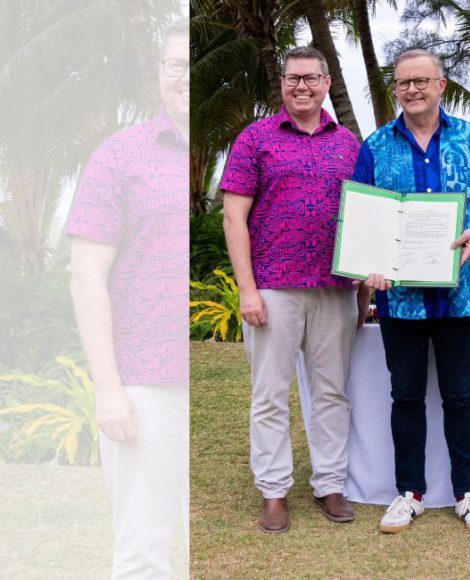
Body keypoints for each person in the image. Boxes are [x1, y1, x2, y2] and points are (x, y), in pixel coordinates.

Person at [353, 49, 470, 535]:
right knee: (406, 397)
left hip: (458, 296)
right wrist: (369, 268)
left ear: (442, 85)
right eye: (404, 83)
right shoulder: (376, 146)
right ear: (395, 90)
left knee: (460, 396)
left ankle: (468, 494)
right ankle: (410, 494)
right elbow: (363, 218)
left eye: (423, 80)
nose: (413, 89)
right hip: (399, 300)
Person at [220, 45, 368, 534]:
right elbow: (233, 216)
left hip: (334, 289)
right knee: (270, 394)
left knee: (330, 392)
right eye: (291, 79)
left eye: (309, 78)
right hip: (273, 288)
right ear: (281, 85)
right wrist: (247, 290)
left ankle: (330, 483)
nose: (300, 86)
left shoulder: (349, 143)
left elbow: (364, 219)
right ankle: (274, 491)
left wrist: (364, 292)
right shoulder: (255, 138)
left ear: (327, 82)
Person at [67, 19, 190, 578]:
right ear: (161, 75)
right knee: (142, 553)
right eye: (175, 65)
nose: (184, 77)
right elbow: (86, 277)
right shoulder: (119, 156)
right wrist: (109, 390)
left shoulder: (239, 155)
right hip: (143, 384)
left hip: (205, 384)